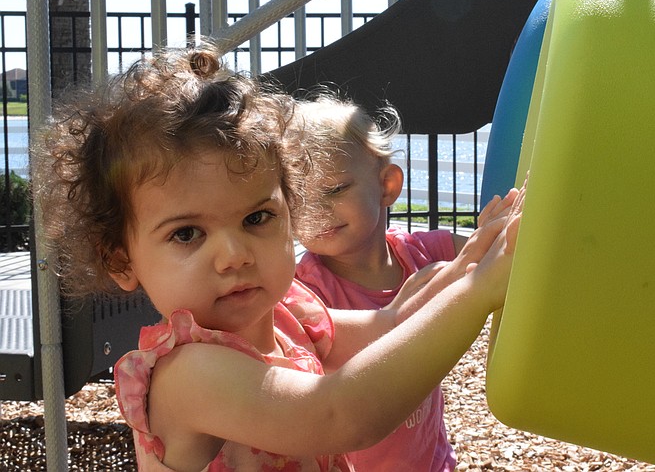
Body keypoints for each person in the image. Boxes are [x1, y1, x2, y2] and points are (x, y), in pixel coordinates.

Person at [31, 41, 524, 472]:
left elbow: (391, 321)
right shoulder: (188, 375)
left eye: (256, 218)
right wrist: (473, 294)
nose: (233, 255)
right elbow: (338, 415)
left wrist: (468, 264)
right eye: (187, 234)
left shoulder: (289, 312)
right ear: (122, 261)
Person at [294, 95, 488, 471]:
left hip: (431, 461)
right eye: (299, 199)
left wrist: (500, 228)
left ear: (387, 185)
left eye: (333, 190)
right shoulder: (307, 292)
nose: (316, 211)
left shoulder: (424, 253)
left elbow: (493, 253)